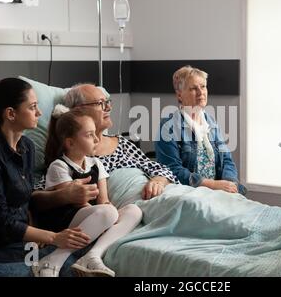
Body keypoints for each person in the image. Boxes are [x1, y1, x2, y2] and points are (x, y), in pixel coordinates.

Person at [0, 78, 91, 277]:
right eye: (33, 107)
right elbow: (0, 220)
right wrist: (54, 237)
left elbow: (24, 200)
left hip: (19, 248)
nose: (39, 112)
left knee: (76, 265)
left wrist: (62, 195)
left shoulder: (26, 147)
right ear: (11, 113)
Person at [33, 105, 142, 277]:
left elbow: (104, 200)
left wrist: (107, 217)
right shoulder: (59, 166)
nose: (97, 140)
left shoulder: (96, 164)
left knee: (134, 211)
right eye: (89, 135)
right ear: (70, 142)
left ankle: (93, 255)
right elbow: (76, 202)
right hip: (65, 221)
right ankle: (54, 259)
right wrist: (106, 217)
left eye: (95, 133)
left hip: (94, 216)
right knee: (107, 213)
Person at [155, 65, 246, 195]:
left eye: (203, 86)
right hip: (190, 194)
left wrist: (229, 184)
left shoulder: (210, 122)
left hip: (219, 192)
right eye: (193, 88)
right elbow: (172, 170)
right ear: (179, 95)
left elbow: (226, 159)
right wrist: (213, 185)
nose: (200, 92)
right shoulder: (168, 127)